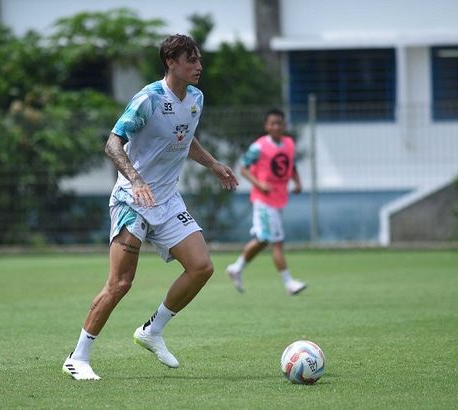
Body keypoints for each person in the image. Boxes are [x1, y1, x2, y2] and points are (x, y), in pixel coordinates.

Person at [62, 34, 238, 380]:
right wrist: (136, 179)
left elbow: (184, 138)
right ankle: (77, 357)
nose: (199, 66)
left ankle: (152, 331)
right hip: (134, 199)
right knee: (121, 283)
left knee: (201, 267)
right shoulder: (148, 99)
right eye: (191, 60)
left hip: (167, 198)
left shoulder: (196, 98)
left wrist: (214, 164)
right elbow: (112, 143)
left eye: (199, 59)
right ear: (171, 62)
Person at [225, 109, 307, 295]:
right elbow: (244, 168)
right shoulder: (259, 147)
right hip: (263, 201)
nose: (277, 126)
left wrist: (298, 182)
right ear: (266, 126)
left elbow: (291, 165)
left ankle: (236, 268)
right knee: (276, 241)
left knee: (263, 240)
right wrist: (259, 183)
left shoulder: (288, 143)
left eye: (280, 123)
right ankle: (289, 283)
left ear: (284, 125)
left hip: (279, 198)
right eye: (273, 123)